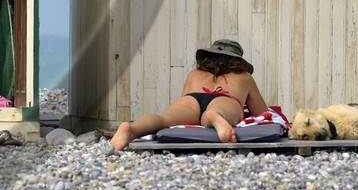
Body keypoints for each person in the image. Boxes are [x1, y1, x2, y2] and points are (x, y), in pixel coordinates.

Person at [109, 39, 267, 151]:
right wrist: (239, 111)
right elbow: (262, 114)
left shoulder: (194, 74)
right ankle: (214, 116)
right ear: (238, 60)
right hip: (225, 99)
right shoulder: (244, 76)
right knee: (217, 112)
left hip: (192, 99)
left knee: (164, 119)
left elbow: (184, 99)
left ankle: (132, 129)